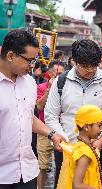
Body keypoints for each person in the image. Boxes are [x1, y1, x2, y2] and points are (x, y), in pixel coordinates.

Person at [44, 39, 102, 188]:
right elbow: (51, 115)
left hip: (98, 149)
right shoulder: (61, 82)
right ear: (74, 62)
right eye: (85, 66)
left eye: (94, 65)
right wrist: (63, 138)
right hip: (67, 150)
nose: (91, 70)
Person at [0, 29, 64, 188]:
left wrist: (52, 134)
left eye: (34, 60)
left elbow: (28, 116)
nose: (32, 66)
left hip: (27, 171)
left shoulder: (29, 83)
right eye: (29, 60)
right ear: (10, 56)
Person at [57, 105, 102, 189]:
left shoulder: (83, 146)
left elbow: (88, 175)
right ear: (86, 127)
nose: (101, 129)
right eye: (99, 125)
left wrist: (101, 182)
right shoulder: (84, 153)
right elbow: (77, 185)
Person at [36, 61, 65, 189]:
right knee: (42, 166)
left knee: (62, 165)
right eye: (58, 73)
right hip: (44, 130)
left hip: (62, 131)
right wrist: (49, 89)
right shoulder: (41, 87)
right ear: (50, 74)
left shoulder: (66, 86)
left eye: (63, 74)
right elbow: (39, 106)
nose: (61, 76)